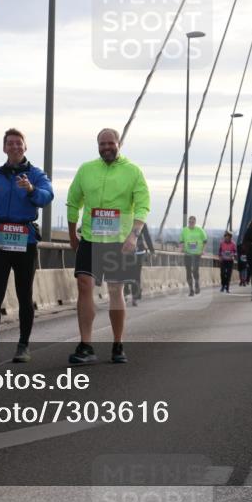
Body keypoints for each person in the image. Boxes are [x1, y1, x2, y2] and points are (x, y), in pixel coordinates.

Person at [66, 128, 150, 365]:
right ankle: (86, 345)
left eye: (110, 143)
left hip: (119, 242)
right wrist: (73, 236)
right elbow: (73, 202)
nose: (106, 148)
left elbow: (143, 205)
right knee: (84, 285)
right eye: (102, 144)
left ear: (119, 143)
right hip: (91, 239)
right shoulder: (86, 169)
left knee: (115, 291)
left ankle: (117, 344)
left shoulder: (133, 172)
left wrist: (134, 235)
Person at [0, 128, 54, 366]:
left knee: (24, 294)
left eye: (19, 143)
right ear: (4, 148)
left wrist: (31, 189)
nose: (15, 147)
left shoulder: (36, 174)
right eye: (10, 144)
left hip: (25, 240)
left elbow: (47, 196)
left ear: (25, 147)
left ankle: (23, 346)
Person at [125, 224, 155, 307]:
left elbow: (146, 236)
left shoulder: (141, 222)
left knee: (136, 275)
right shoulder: (124, 217)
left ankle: (135, 296)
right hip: (126, 250)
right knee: (125, 272)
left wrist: (152, 250)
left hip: (139, 252)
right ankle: (125, 292)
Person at [180, 216, 207, 296]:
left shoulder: (200, 230)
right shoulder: (184, 230)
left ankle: (197, 284)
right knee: (188, 272)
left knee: (195, 270)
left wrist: (203, 250)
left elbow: (205, 241)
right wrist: (182, 248)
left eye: (193, 222)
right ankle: (191, 290)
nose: (191, 223)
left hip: (197, 254)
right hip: (187, 254)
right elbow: (181, 241)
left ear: (195, 222)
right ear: (188, 222)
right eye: (190, 222)